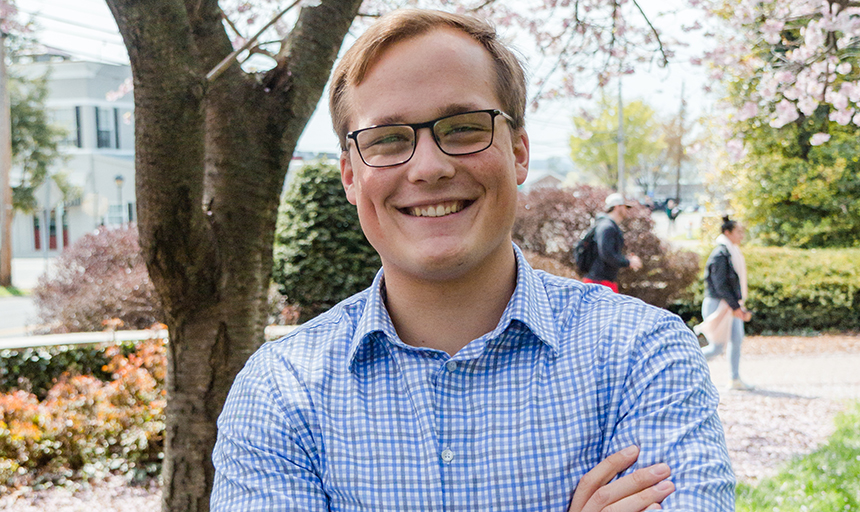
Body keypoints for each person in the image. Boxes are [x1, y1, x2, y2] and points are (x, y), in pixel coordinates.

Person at [211, 9, 734, 511]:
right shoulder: (280, 391)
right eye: (388, 139)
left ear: (520, 151)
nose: (429, 167)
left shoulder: (643, 356)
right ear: (350, 175)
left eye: (463, 127)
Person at [695, 215, 753, 391]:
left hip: (730, 303)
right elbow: (720, 284)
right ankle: (684, 368)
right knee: (716, 347)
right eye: (738, 232)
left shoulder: (731, 252)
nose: (741, 236)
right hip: (718, 304)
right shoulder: (721, 254)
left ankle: (734, 378)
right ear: (727, 233)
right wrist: (736, 307)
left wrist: (737, 306)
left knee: (737, 339)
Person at [582, 193, 643, 293]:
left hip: (601, 281)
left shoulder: (606, 225)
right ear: (617, 207)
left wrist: (625, 259)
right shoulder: (607, 227)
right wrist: (628, 262)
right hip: (600, 283)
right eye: (625, 207)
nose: (627, 210)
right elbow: (607, 254)